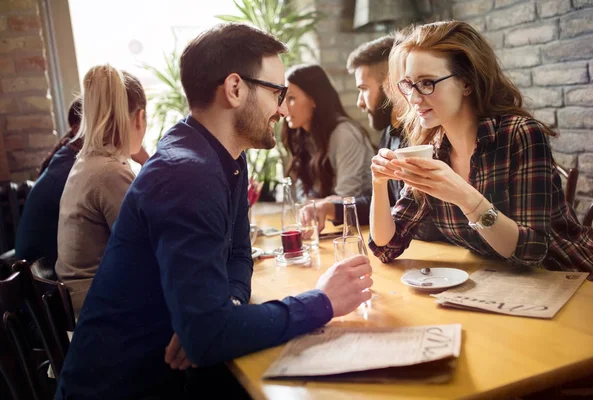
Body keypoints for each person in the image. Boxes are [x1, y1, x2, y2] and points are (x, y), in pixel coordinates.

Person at [56, 23, 373, 400]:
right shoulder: (186, 172)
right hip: (127, 386)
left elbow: (238, 257)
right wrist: (322, 301)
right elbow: (207, 338)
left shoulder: (225, 157)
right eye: (277, 92)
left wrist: (221, 316)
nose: (281, 107)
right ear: (235, 89)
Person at [369, 21, 593, 281]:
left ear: (467, 83)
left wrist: (465, 197)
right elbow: (387, 247)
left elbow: (531, 251)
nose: (412, 98)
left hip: (573, 278)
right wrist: (379, 182)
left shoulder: (519, 134)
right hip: (506, 283)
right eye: (409, 84)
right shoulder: (431, 149)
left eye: (427, 83)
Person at [305, 35, 447, 243]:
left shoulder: (427, 136)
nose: (360, 103)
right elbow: (383, 201)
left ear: (391, 84)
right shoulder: (390, 133)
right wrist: (333, 207)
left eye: (363, 89)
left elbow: (425, 223)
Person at [54, 65, 149, 315]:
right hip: (101, 310)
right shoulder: (110, 173)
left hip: (82, 300)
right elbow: (146, 248)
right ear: (140, 118)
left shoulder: (87, 163)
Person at [282, 63, 375, 201]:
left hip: (362, 219)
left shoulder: (344, 134)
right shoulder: (302, 136)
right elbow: (304, 195)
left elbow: (347, 197)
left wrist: (312, 206)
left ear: (313, 99)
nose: (284, 107)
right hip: (330, 220)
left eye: (291, 98)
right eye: (283, 99)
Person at [14, 97, 83, 278]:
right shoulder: (70, 170)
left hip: (38, 273)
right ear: (77, 128)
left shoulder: (66, 157)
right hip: (43, 281)